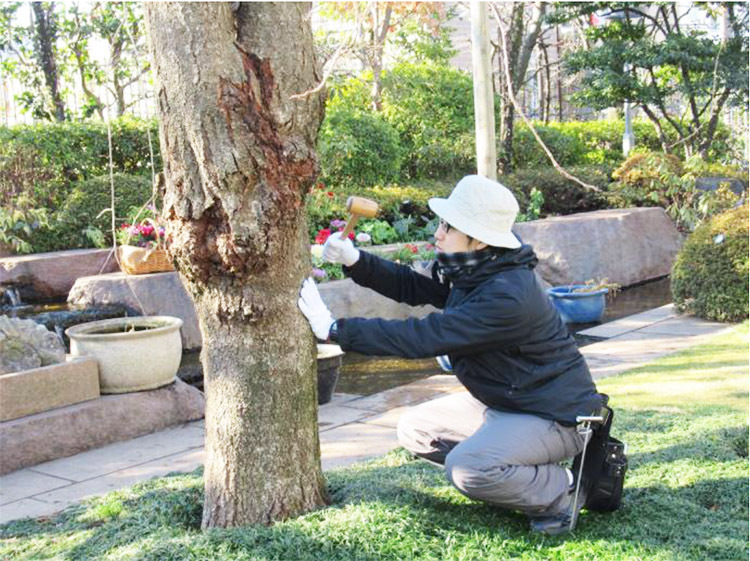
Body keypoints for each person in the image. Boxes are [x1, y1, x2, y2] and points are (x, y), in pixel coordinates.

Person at [298, 175, 603, 535]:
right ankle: (509, 465)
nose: (438, 234)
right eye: (443, 223)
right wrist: (355, 260)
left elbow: (424, 337)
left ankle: (563, 489)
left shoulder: (507, 296)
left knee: (468, 468)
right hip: (508, 403)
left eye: (450, 227)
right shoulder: (479, 267)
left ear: (479, 239)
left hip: (556, 417)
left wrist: (333, 329)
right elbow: (415, 286)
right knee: (416, 429)